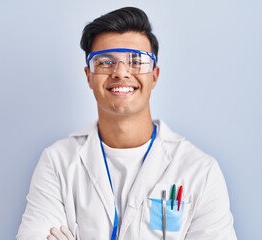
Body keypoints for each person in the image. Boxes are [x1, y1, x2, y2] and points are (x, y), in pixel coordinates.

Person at [16, 6, 237, 240]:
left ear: (154, 75)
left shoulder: (199, 171)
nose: (121, 73)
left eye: (136, 61)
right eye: (105, 62)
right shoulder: (57, 162)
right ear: (89, 77)